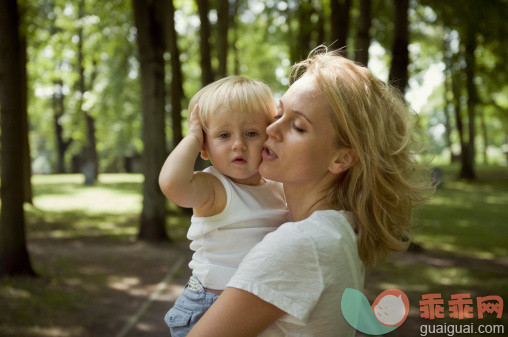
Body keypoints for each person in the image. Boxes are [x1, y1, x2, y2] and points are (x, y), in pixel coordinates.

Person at [187, 49, 433, 337]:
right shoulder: (339, 228)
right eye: (279, 113)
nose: (272, 130)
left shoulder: (299, 245)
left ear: (341, 159)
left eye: (298, 126)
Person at [158, 76, 289, 337]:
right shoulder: (214, 187)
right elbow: (172, 183)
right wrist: (194, 137)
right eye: (224, 135)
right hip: (209, 306)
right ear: (205, 148)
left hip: (254, 307)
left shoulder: (279, 187)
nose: (238, 143)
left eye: (251, 133)